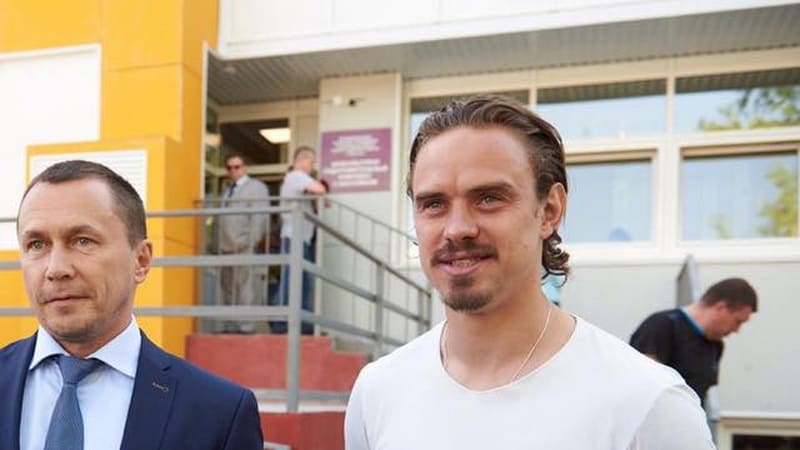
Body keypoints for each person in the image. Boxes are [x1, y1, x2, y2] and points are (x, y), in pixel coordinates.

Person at [344, 96, 714, 449]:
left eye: (489, 198)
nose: (457, 229)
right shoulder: (377, 391)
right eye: (433, 204)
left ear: (550, 211)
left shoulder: (648, 404)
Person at [0, 160, 263, 450]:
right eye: (37, 244)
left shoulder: (220, 414)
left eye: (83, 241)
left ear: (141, 261)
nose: (56, 269)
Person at [630, 277, 757, 406]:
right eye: (738, 321)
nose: (736, 330)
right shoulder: (661, 326)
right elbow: (643, 384)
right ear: (721, 308)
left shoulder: (716, 345)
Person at [271, 146, 327, 335]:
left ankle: (299, 321)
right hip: (293, 236)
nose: (313, 166)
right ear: (301, 160)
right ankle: (282, 321)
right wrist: (318, 183)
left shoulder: (299, 180)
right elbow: (320, 189)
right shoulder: (296, 176)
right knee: (292, 279)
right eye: (312, 162)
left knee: (301, 280)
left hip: (300, 237)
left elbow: (325, 201)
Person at [218, 153, 271, 333]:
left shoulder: (256, 187)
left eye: (237, 167)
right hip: (226, 248)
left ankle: (245, 327)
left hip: (243, 246)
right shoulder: (227, 191)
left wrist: (251, 242)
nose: (233, 170)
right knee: (228, 288)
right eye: (229, 168)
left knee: (245, 288)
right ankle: (230, 325)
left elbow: (260, 217)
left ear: (245, 168)